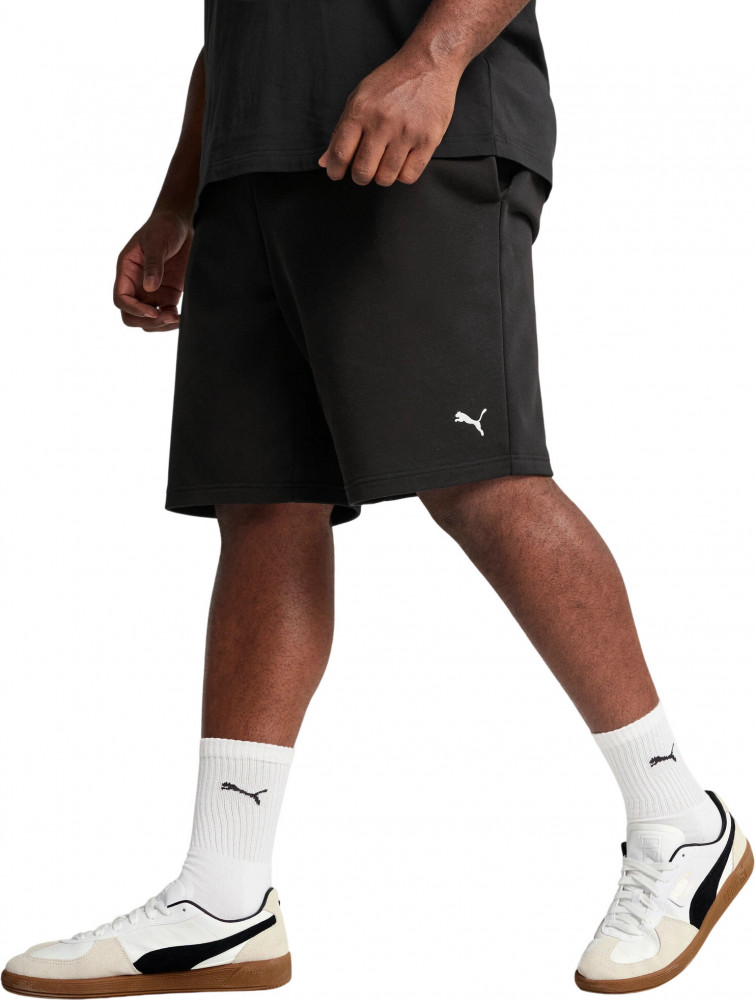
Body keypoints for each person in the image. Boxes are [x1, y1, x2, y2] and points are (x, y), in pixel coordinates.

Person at [2, 1, 750, 996]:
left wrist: (433, 57)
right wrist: (180, 199)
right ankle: (223, 895)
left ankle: (678, 819)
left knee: (480, 476)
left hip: (417, 135)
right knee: (264, 503)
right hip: (251, 163)